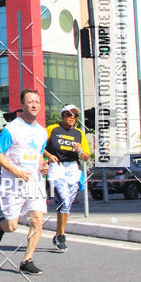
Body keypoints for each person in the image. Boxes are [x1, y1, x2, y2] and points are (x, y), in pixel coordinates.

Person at [0, 89, 49, 275]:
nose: (34, 105)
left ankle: (27, 260)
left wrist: (42, 166)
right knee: (12, 225)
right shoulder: (12, 129)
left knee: (37, 219)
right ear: (22, 105)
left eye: (37, 102)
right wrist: (16, 171)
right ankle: (2, 225)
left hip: (34, 183)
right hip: (13, 183)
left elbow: (39, 155)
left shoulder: (41, 132)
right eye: (30, 102)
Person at [43, 104, 90, 251]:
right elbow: (39, 145)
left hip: (72, 168)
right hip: (57, 167)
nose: (72, 118)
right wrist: (49, 156)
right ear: (63, 116)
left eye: (75, 115)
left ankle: (58, 235)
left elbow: (86, 157)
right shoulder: (52, 129)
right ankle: (62, 235)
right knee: (64, 199)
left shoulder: (79, 133)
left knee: (67, 204)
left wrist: (80, 150)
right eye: (69, 115)